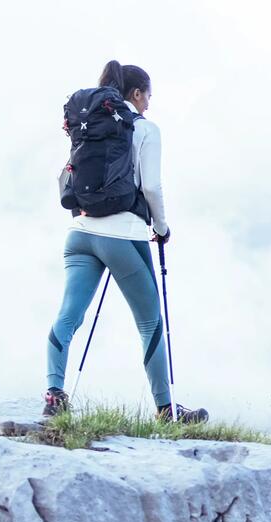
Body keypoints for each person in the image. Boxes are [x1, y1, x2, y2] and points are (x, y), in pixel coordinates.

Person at [42, 60, 207, 422]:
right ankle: (166, 409)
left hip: (80, 233)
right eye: (148, 95)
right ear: (136, 94)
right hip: (124, 236)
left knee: (69, 315)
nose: (149, 103)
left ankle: (54, 393)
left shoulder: (91, 128)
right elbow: (150, 186)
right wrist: (162, 227)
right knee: (150, 322)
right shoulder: (145, 128)